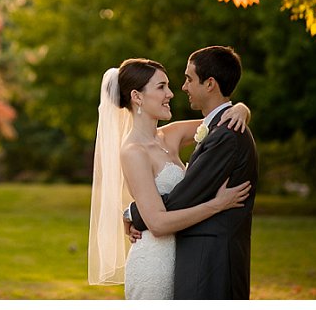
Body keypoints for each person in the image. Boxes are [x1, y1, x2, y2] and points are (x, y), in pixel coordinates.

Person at [88, 57, 252, 299]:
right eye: (161, 87)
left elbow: (219, 121)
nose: (171, 94)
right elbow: (158, 224)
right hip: (155, 264)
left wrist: (241, 109)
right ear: (137, 96)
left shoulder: (171, 134)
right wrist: (217, 205)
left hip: (186, 258)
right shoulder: (133, 151)